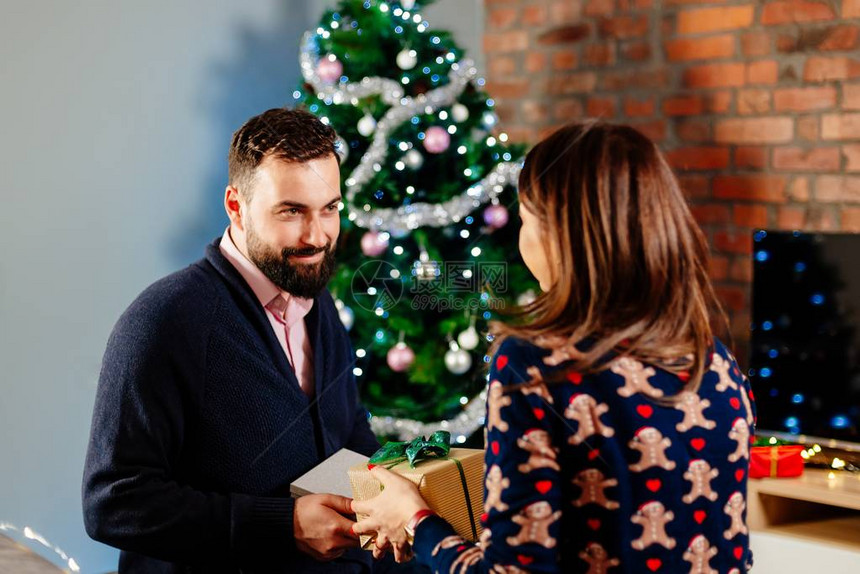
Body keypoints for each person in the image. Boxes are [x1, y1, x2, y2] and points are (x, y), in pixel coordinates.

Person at [353, 122, 756, 573]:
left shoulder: (534, 365)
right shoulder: (715, 361)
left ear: (561, 234)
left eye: (524, 219)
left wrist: (417, 519)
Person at [82, 108, 382, 573]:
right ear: (236, 206)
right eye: (291, 211)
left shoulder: (315, 298)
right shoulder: (164, 320)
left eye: (330, 208)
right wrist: (284, 526)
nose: (317, 234)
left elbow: (349, 430)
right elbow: (113, 502)